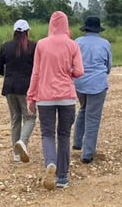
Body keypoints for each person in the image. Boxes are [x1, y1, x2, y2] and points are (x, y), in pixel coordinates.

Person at [27, 12, 85, 191]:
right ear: (66, 24)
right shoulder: (73, 44)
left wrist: (31, 97)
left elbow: (36, 72)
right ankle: (62, 178)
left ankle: (50, 162)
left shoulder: (41, 44)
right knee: (64, 135)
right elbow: (79, 71)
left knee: (47, 134)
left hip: (45, 97)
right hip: (67, 97)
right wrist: (70, 72)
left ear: (51, 25)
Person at [0, 20, 37, 163]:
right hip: (26, 88)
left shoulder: (6, 46)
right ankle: (22, 142)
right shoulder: (33, 46)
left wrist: (8, 75)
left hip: (10, 87)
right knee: (30, 118)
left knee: (15, 118)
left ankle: (16, 154)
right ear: (27, 32)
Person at [73, 16, 113, 164]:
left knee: (83, 108)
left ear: (86, 29)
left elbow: (73, 63)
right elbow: (108, 66)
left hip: (79, 83)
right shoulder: (105, 43)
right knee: (93, 118)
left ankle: (77, 142)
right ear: (98, 29)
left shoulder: (77, 42)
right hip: (97, 84)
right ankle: (88, 153)